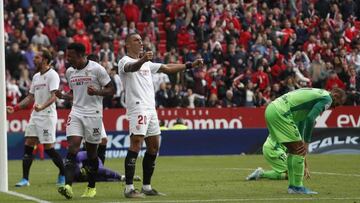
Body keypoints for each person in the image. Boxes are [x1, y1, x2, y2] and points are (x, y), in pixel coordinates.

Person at [118, 32, 203, 198]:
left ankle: (147, 187)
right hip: (138, 107)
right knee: (136, 144)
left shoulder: (147, 65)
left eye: (141, 40)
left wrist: (190, 65)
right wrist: (143, 60)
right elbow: (130, 68)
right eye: (136, 40)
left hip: (151, 108)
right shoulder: (125, 61)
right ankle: (128, 188)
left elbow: (167, 68)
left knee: (154, 147)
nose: (141, 43)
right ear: (128, 44)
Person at [254, 88, 346, 194]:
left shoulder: (314, 97)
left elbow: (302, 125)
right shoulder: (327, 98)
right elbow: (311, 119)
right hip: (281, 112)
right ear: (336, 95)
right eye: (339, 103)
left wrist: (303, 149)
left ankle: (293, 187)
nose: (335, 107)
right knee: (299, 150)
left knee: (294, 149)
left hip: (272, 109)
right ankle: (297, 187)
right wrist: (307, 143)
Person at [56, 43, 115, 199]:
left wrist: (97, 91)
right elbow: (75, 93)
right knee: (73, 147)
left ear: (82, 55)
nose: (68, 60)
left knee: (92, 154)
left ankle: (91, 187)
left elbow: (111, 89)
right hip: (76, 113)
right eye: (67, 56)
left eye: (71, 56)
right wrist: (63, 96)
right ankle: (68, 186)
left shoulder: (97, 69)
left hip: (93, 115)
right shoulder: (70, 72)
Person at [7, 49, 65, 187]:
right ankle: (25, 179)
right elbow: (30, 97)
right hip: (36, 115)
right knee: (28, 144)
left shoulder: (53, 75)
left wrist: (42, 106)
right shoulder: (36, 76)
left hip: (47, 115)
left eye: (37, 57)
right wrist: (14, 108)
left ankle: (63, 173)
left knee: (48, 148)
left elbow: (54, 96)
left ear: (45, 60)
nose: (33, 59)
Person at [74, 151, 141, 183]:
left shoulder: (80, 156)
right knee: (99, 180)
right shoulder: (76, 160)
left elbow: (102, 170)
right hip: (85, 168)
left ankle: (121, 177)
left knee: (100, 171)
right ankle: (121, 179)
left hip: (95, 163)